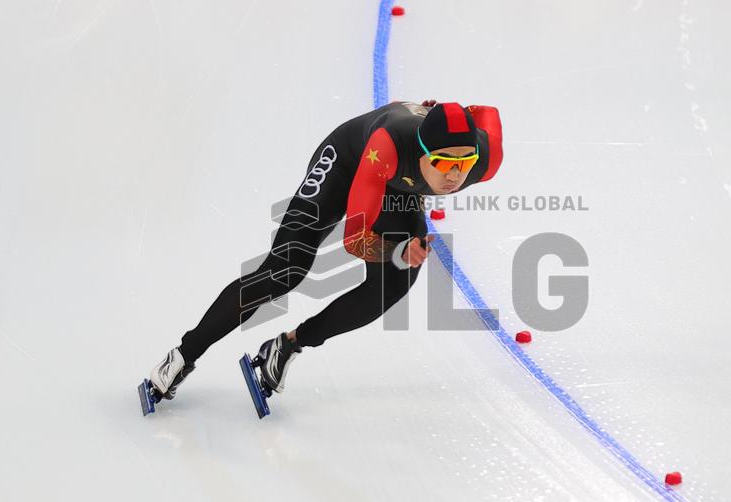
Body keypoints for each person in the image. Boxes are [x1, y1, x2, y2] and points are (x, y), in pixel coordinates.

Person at [146, 99, 504, 405]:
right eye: (443, 162)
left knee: (389, 289)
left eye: (465, 161)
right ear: (423, 151)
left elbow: (488, 113)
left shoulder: (485, 158)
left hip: (398, 184)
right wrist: (397, 250)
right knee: (286, 270)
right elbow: (354, 241)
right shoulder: (389, 148)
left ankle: (286, 346)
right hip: (350, 164)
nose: (455, 175)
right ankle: (181, 356)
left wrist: (456, 113)